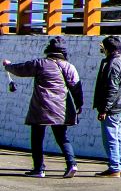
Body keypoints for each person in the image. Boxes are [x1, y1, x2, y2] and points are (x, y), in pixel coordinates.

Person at [4, 37, 82, 178]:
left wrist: (8, 66)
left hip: (42, 107)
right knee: (62, 137)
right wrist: (79, 105)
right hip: (61, 108)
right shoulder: (69, 67)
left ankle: (39, 168)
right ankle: (72, 164)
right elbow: (77, 88)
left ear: (48, 50)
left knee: (37, 138)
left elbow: (21, 69)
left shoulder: (40, 63)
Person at [92, 36, 121, 177]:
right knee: (118, 137)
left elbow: (111, 89)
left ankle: (114, 166)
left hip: (113, 107)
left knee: (110, 138)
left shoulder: (113, 64)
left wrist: (104, 109)